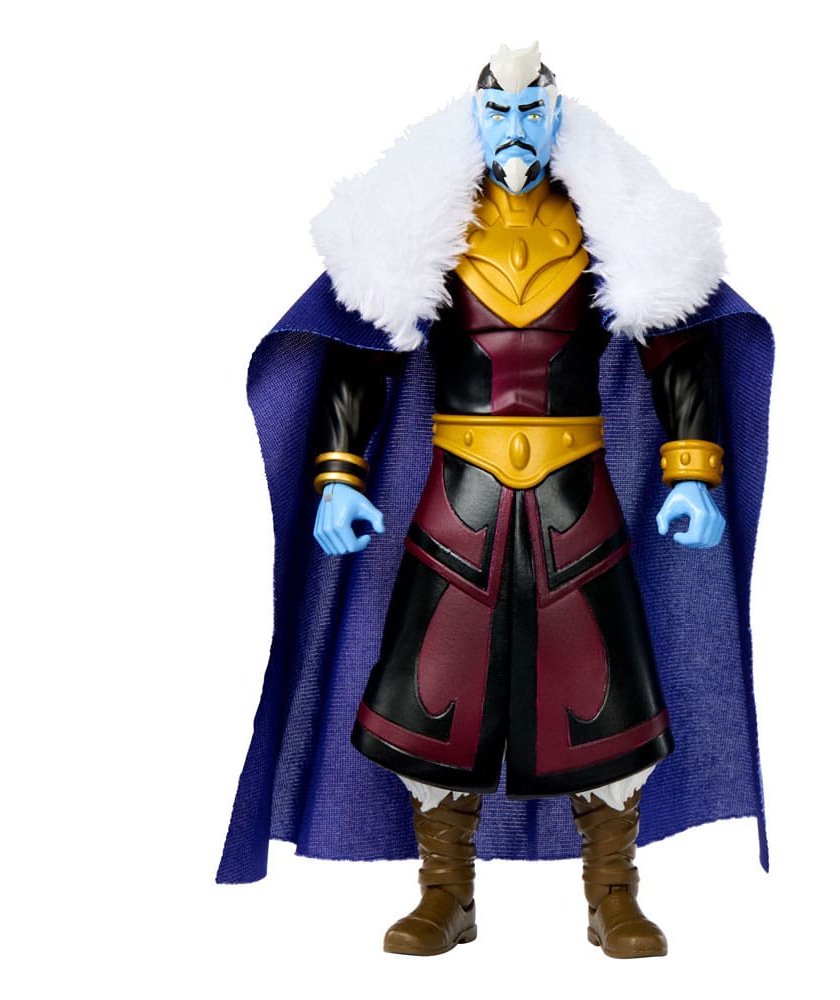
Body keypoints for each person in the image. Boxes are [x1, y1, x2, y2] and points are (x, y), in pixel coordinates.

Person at [219, 43, 774, 961]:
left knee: (602, 692)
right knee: (434, 693)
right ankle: (446, 893)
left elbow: (674, 345)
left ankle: (613, 894)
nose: (516, 129)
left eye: (532, 111)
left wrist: (690, 471)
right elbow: (363, 348)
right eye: (499, 113)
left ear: (558, 117)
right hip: (460, 500)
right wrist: (339, 476)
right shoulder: (427, 231)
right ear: (475, 120)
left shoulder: (611, 227)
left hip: (576, 498)